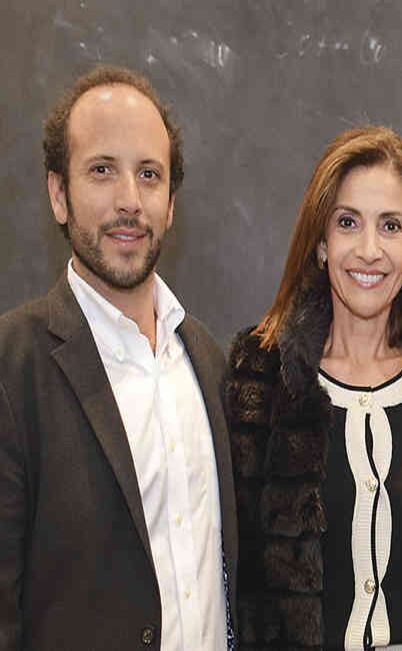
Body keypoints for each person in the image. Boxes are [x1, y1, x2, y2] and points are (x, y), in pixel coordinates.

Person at [0, 65, 237, 650]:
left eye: (149, 175)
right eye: (102, 170)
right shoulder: (12, 368)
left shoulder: (209, 362)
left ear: (171, 203)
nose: (129, 201)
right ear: (59, 194)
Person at [226, 126, 402, 650]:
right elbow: (237, 576)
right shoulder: (261, 379)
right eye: (347, 223)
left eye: (390, 226)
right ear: (320, 244)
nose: (368, 249)